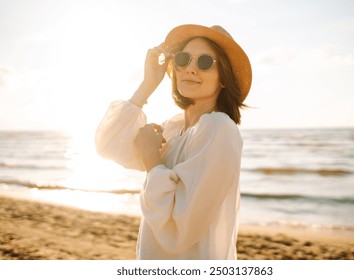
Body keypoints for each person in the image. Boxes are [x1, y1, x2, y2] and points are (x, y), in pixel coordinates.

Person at [95, 24, 252, 259]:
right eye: (182, 58)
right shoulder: (176, 128)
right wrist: (147, 86)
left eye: (205, 62)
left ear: (223, 78)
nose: (190, 68)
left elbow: (179, 230)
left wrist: (152, 160)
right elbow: (107, 145)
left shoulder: (219, 129)